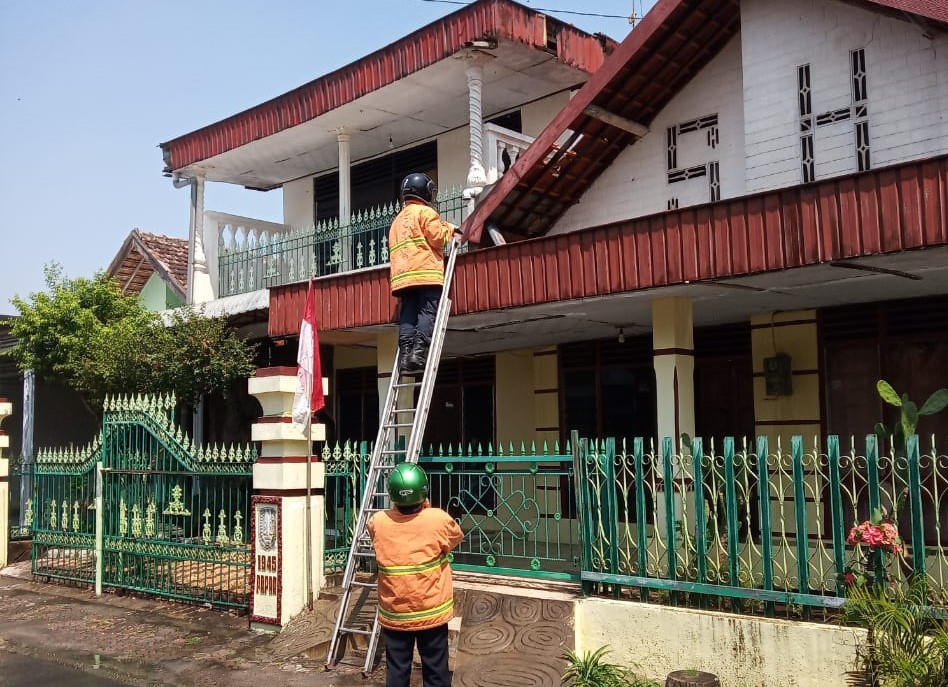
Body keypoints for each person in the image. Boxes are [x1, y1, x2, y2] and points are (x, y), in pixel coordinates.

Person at [368, 463, 464, 687]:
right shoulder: (437, 519)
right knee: (436, 671)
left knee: (397, 672)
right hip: (431, 612)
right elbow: (454, 537)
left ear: (392, 494)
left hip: (395, 615)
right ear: (424, 492)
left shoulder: (378, 521)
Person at [389, 172, 458, 375]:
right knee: (427, 313)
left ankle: (405, 357)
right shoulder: (425, 213)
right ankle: (417, 355)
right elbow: (437, 238)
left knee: (408, 317)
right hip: (426, 273)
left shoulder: (397, 221)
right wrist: (450, 230)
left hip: (403, 279)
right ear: (424, 192)